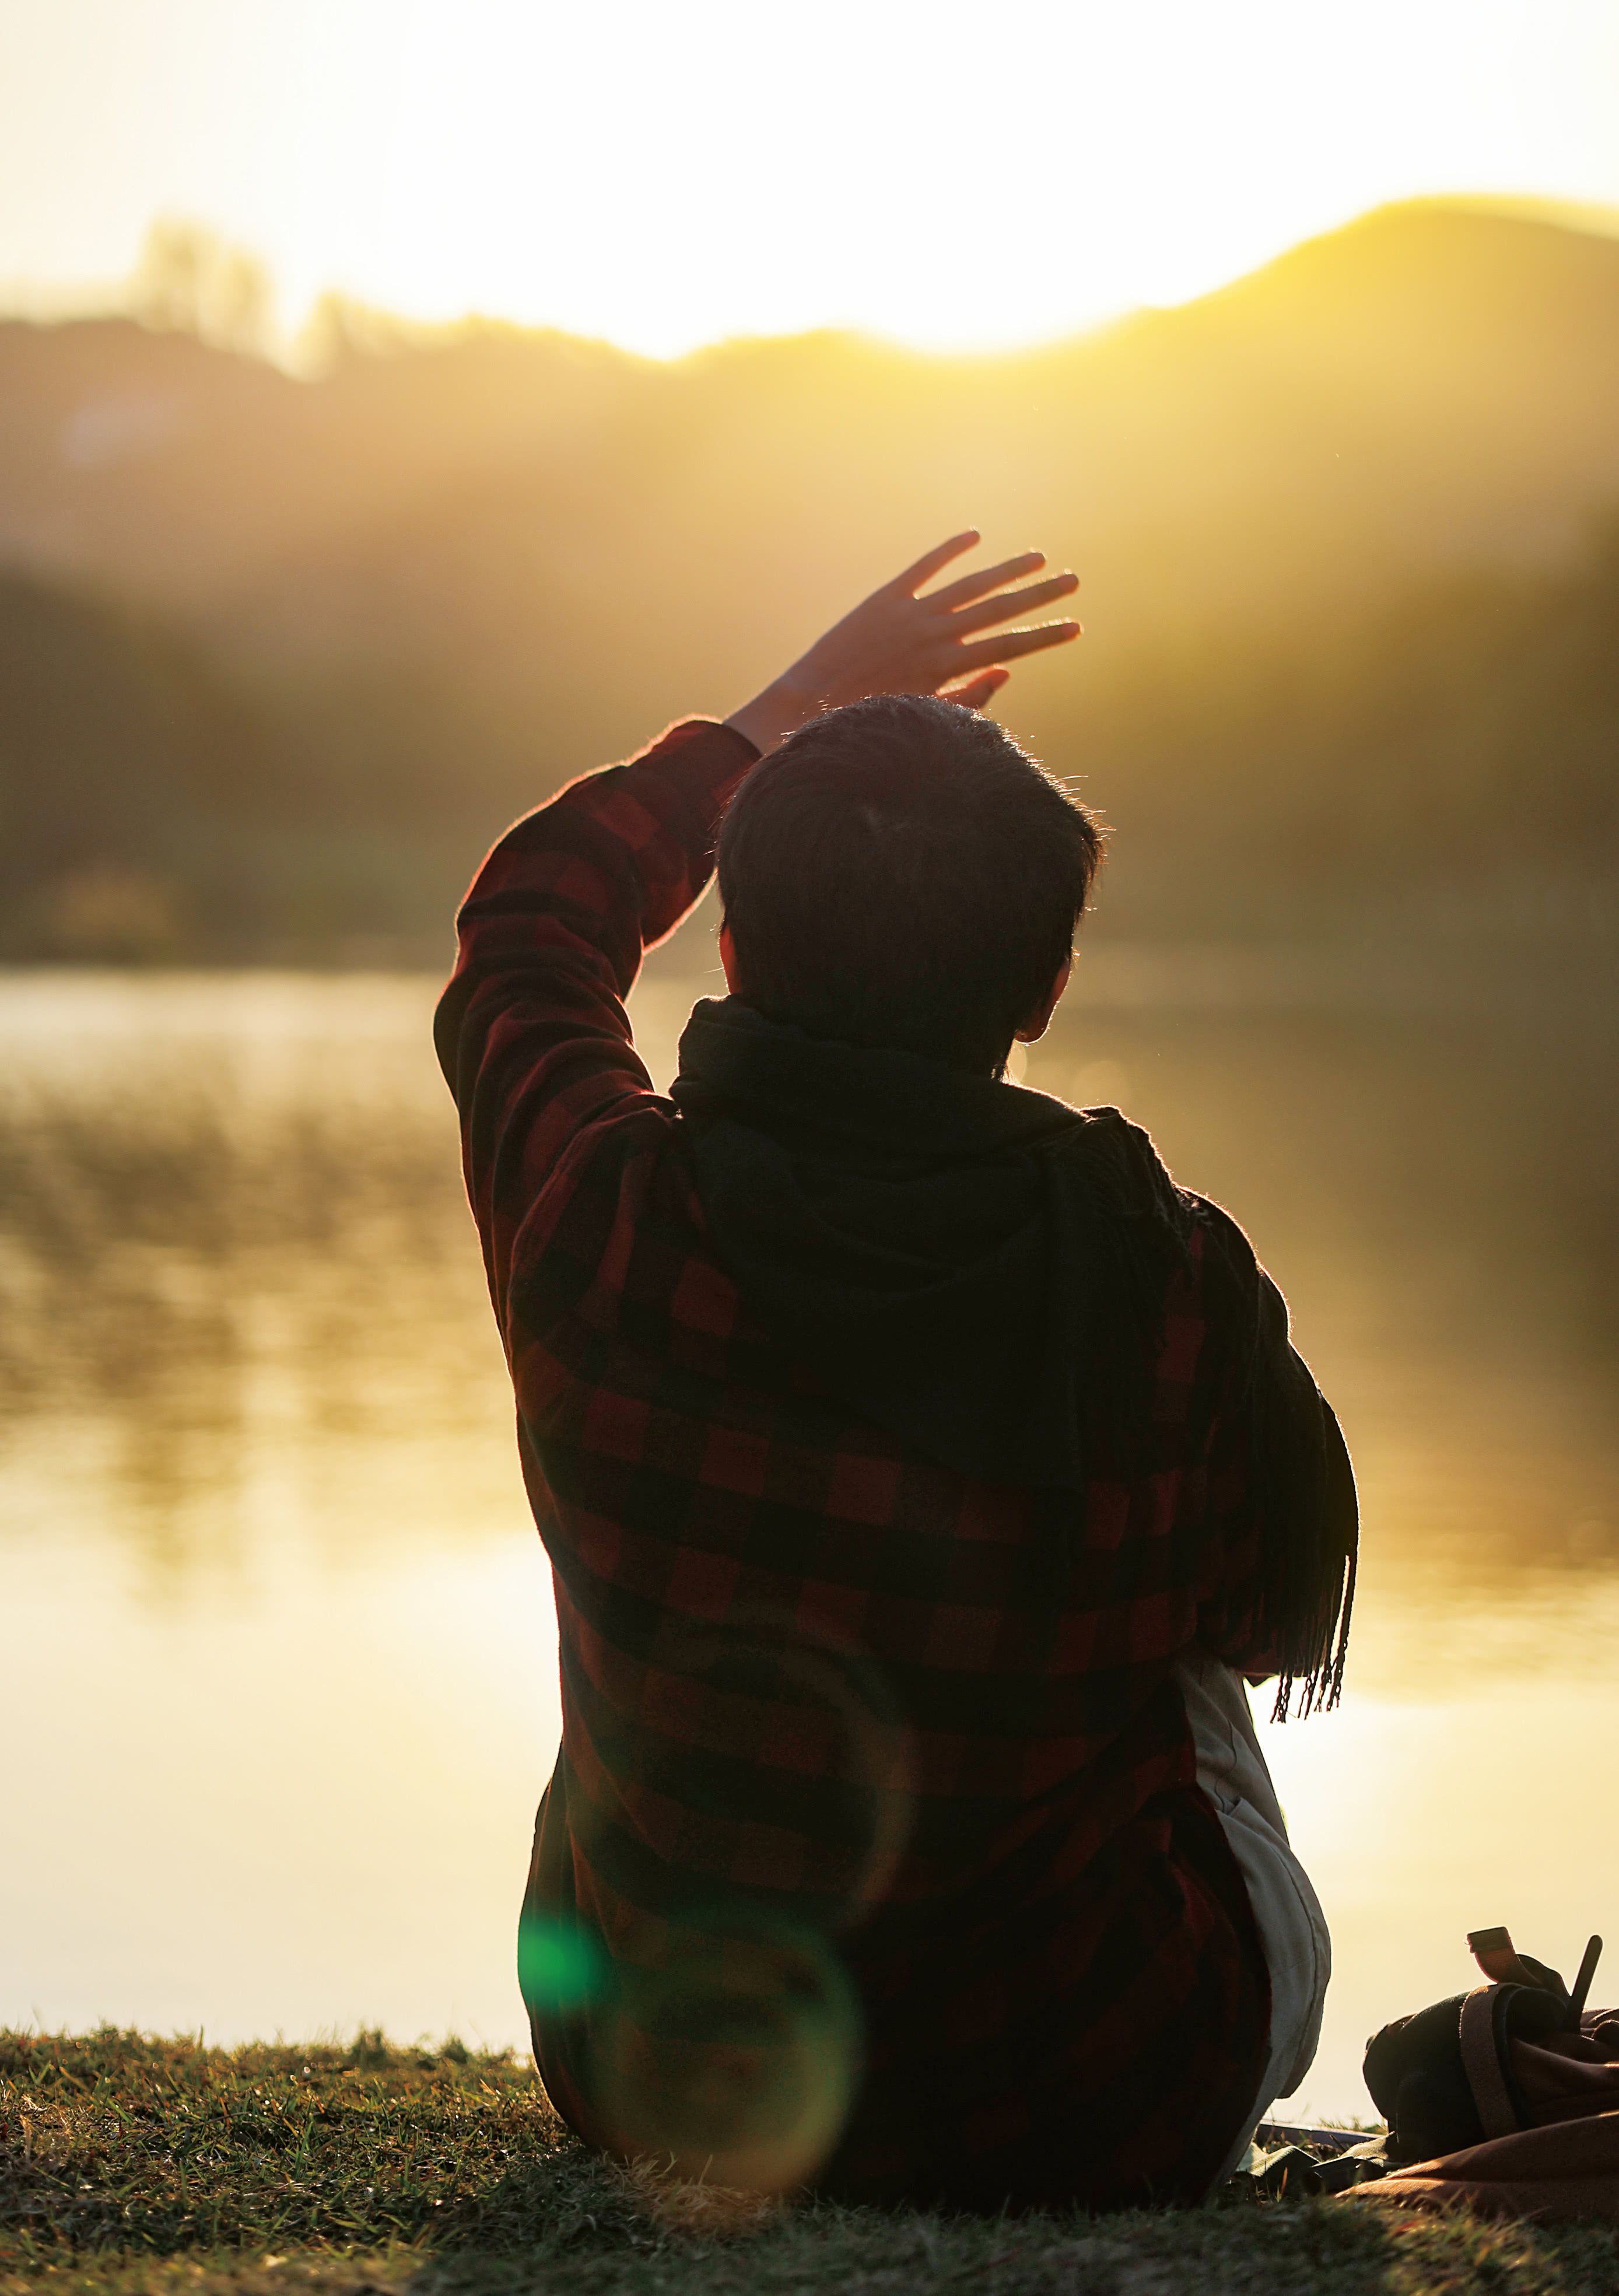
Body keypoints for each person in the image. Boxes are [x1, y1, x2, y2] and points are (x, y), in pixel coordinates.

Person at [434, 533, 1356, 2211]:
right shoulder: (1161, 1274)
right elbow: (1263, 1615)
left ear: (726, 951)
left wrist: (782, 715)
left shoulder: (599, 1215)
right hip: (1092, 2101)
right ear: (1045, 985)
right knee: (1176, 1658)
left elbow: (526, 933)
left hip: (653, 2079)